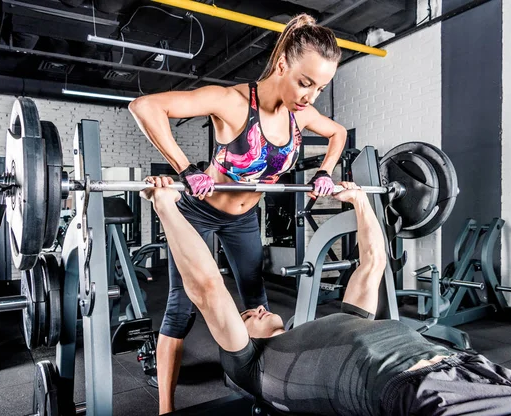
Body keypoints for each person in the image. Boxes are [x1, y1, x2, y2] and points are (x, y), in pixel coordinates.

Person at [141, 178, 511, 416]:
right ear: (237, 343)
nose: (257, 307)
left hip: (476, 367)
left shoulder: (339, 320)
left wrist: (360, 202)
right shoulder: (249, 364)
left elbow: (373, 262)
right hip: (417, 389)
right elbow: (207, 287)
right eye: (247, 317)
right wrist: (167, 210)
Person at [129, 13, 347, 413]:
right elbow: (144, 106)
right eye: (305, 82)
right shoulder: (232, 102)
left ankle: (265, 392)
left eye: (320, 87)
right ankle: (165, 408)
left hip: (245, 218)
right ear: (282, 66)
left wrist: (325, 172)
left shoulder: (301, 114)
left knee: (256, 299)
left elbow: (339, 134)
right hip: (199, 211)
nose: (311, 96)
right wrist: (186, 169)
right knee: (182, 306)